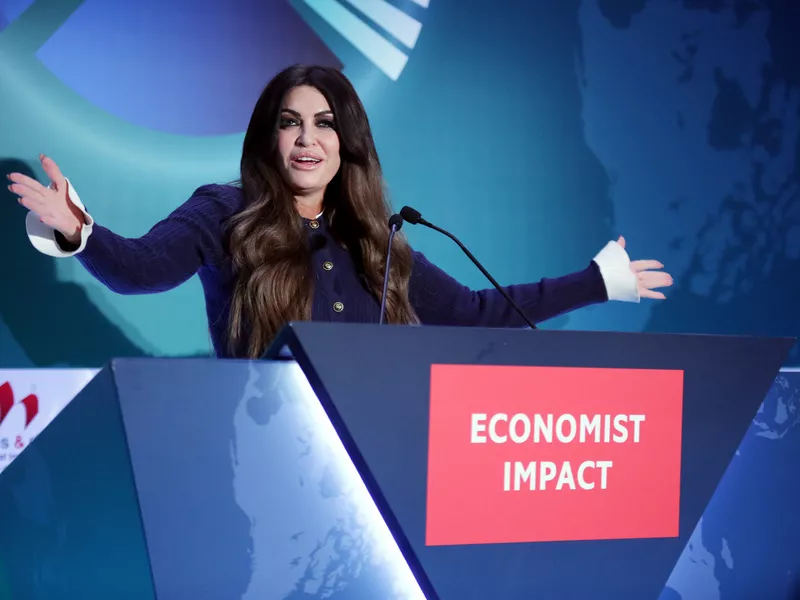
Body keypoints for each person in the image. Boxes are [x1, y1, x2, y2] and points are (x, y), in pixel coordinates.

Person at [8, 65, 672, 359]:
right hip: (266, 455)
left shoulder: (374, 240)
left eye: (324, 124)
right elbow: (140, 269)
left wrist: (597, 281)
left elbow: (473, 312)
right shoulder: (224, 211)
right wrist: (79, 230)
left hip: (377, 451)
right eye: (290, 122)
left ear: (346, 141)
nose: (307, 140)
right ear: (269, 136)